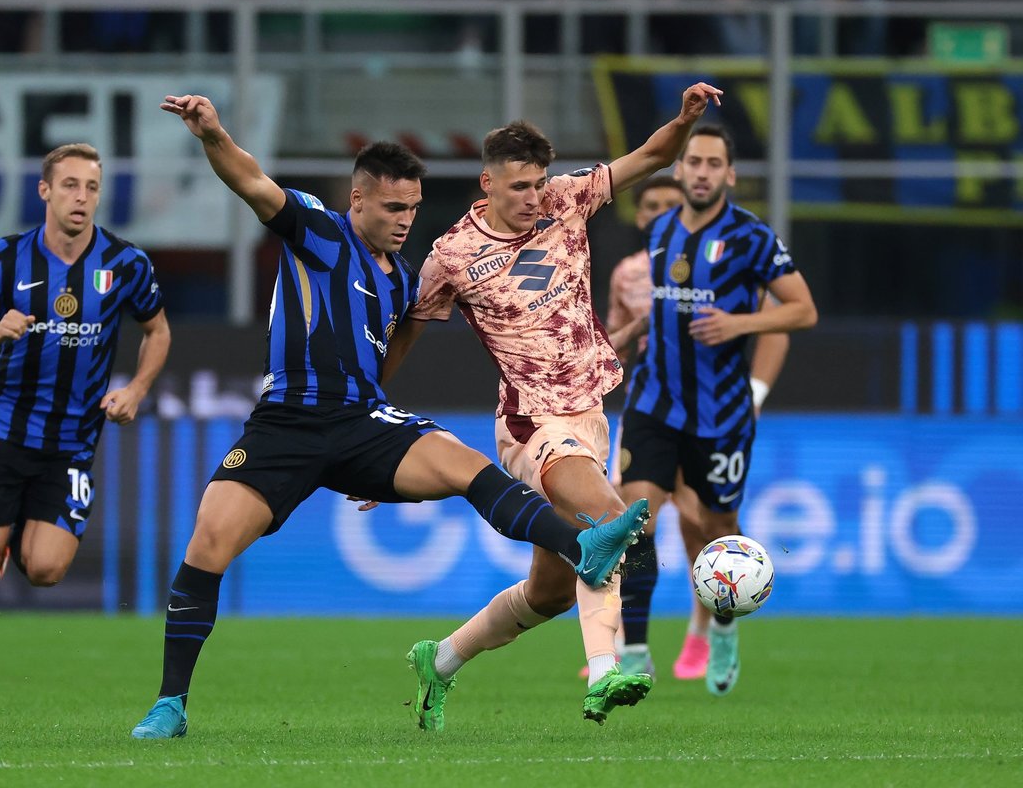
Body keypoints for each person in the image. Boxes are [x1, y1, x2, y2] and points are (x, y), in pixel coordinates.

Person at [128, 93, 651, 740]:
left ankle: (584, 547)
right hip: (286, 424)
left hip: (361, 421)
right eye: (393, 207)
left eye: (412, 207)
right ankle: (170, 704)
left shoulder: (402, 279)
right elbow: (251, 180)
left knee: (468, 466)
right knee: (208, 544)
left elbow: (385, 360)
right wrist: (212, 135)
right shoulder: (318, 233)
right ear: (359, 202)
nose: (406, 220)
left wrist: (371, 462)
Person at [382, 82, 724, 730]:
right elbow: (407, 333)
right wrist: (367, 419)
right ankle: (605, 674)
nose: (533, 197)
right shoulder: (453, 254)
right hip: (530, 422)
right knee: (612, 522)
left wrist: (683, 120)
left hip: (589, 416)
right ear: (487, 182)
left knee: (548, 593)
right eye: (518, 187)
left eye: (538, 183)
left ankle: (442, 660)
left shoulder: (568, 200)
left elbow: (651, 156)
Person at [0, 143, 172, 710]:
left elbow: (157, 331)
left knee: (44, 569)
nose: (81, 198)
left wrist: (136, 390)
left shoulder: (125, 264)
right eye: (69, 185)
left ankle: (14, 536)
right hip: (1, 429)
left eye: (91, 187)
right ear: (44, 191)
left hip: (71, 441)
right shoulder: (6, 257)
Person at [617, 123, 817, 697]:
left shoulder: (752, 238)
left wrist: (741, 324)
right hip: (654, 401)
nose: (701, 172)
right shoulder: (660, 231)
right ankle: (634, 653)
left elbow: (802, 311)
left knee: (717, 529)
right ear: (679, 171)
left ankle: (723, 627)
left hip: (721, 414)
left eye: (713, 164)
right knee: (637, 519)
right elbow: (663, 311)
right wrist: (628, 333)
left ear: (729, 175)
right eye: (693, 162)